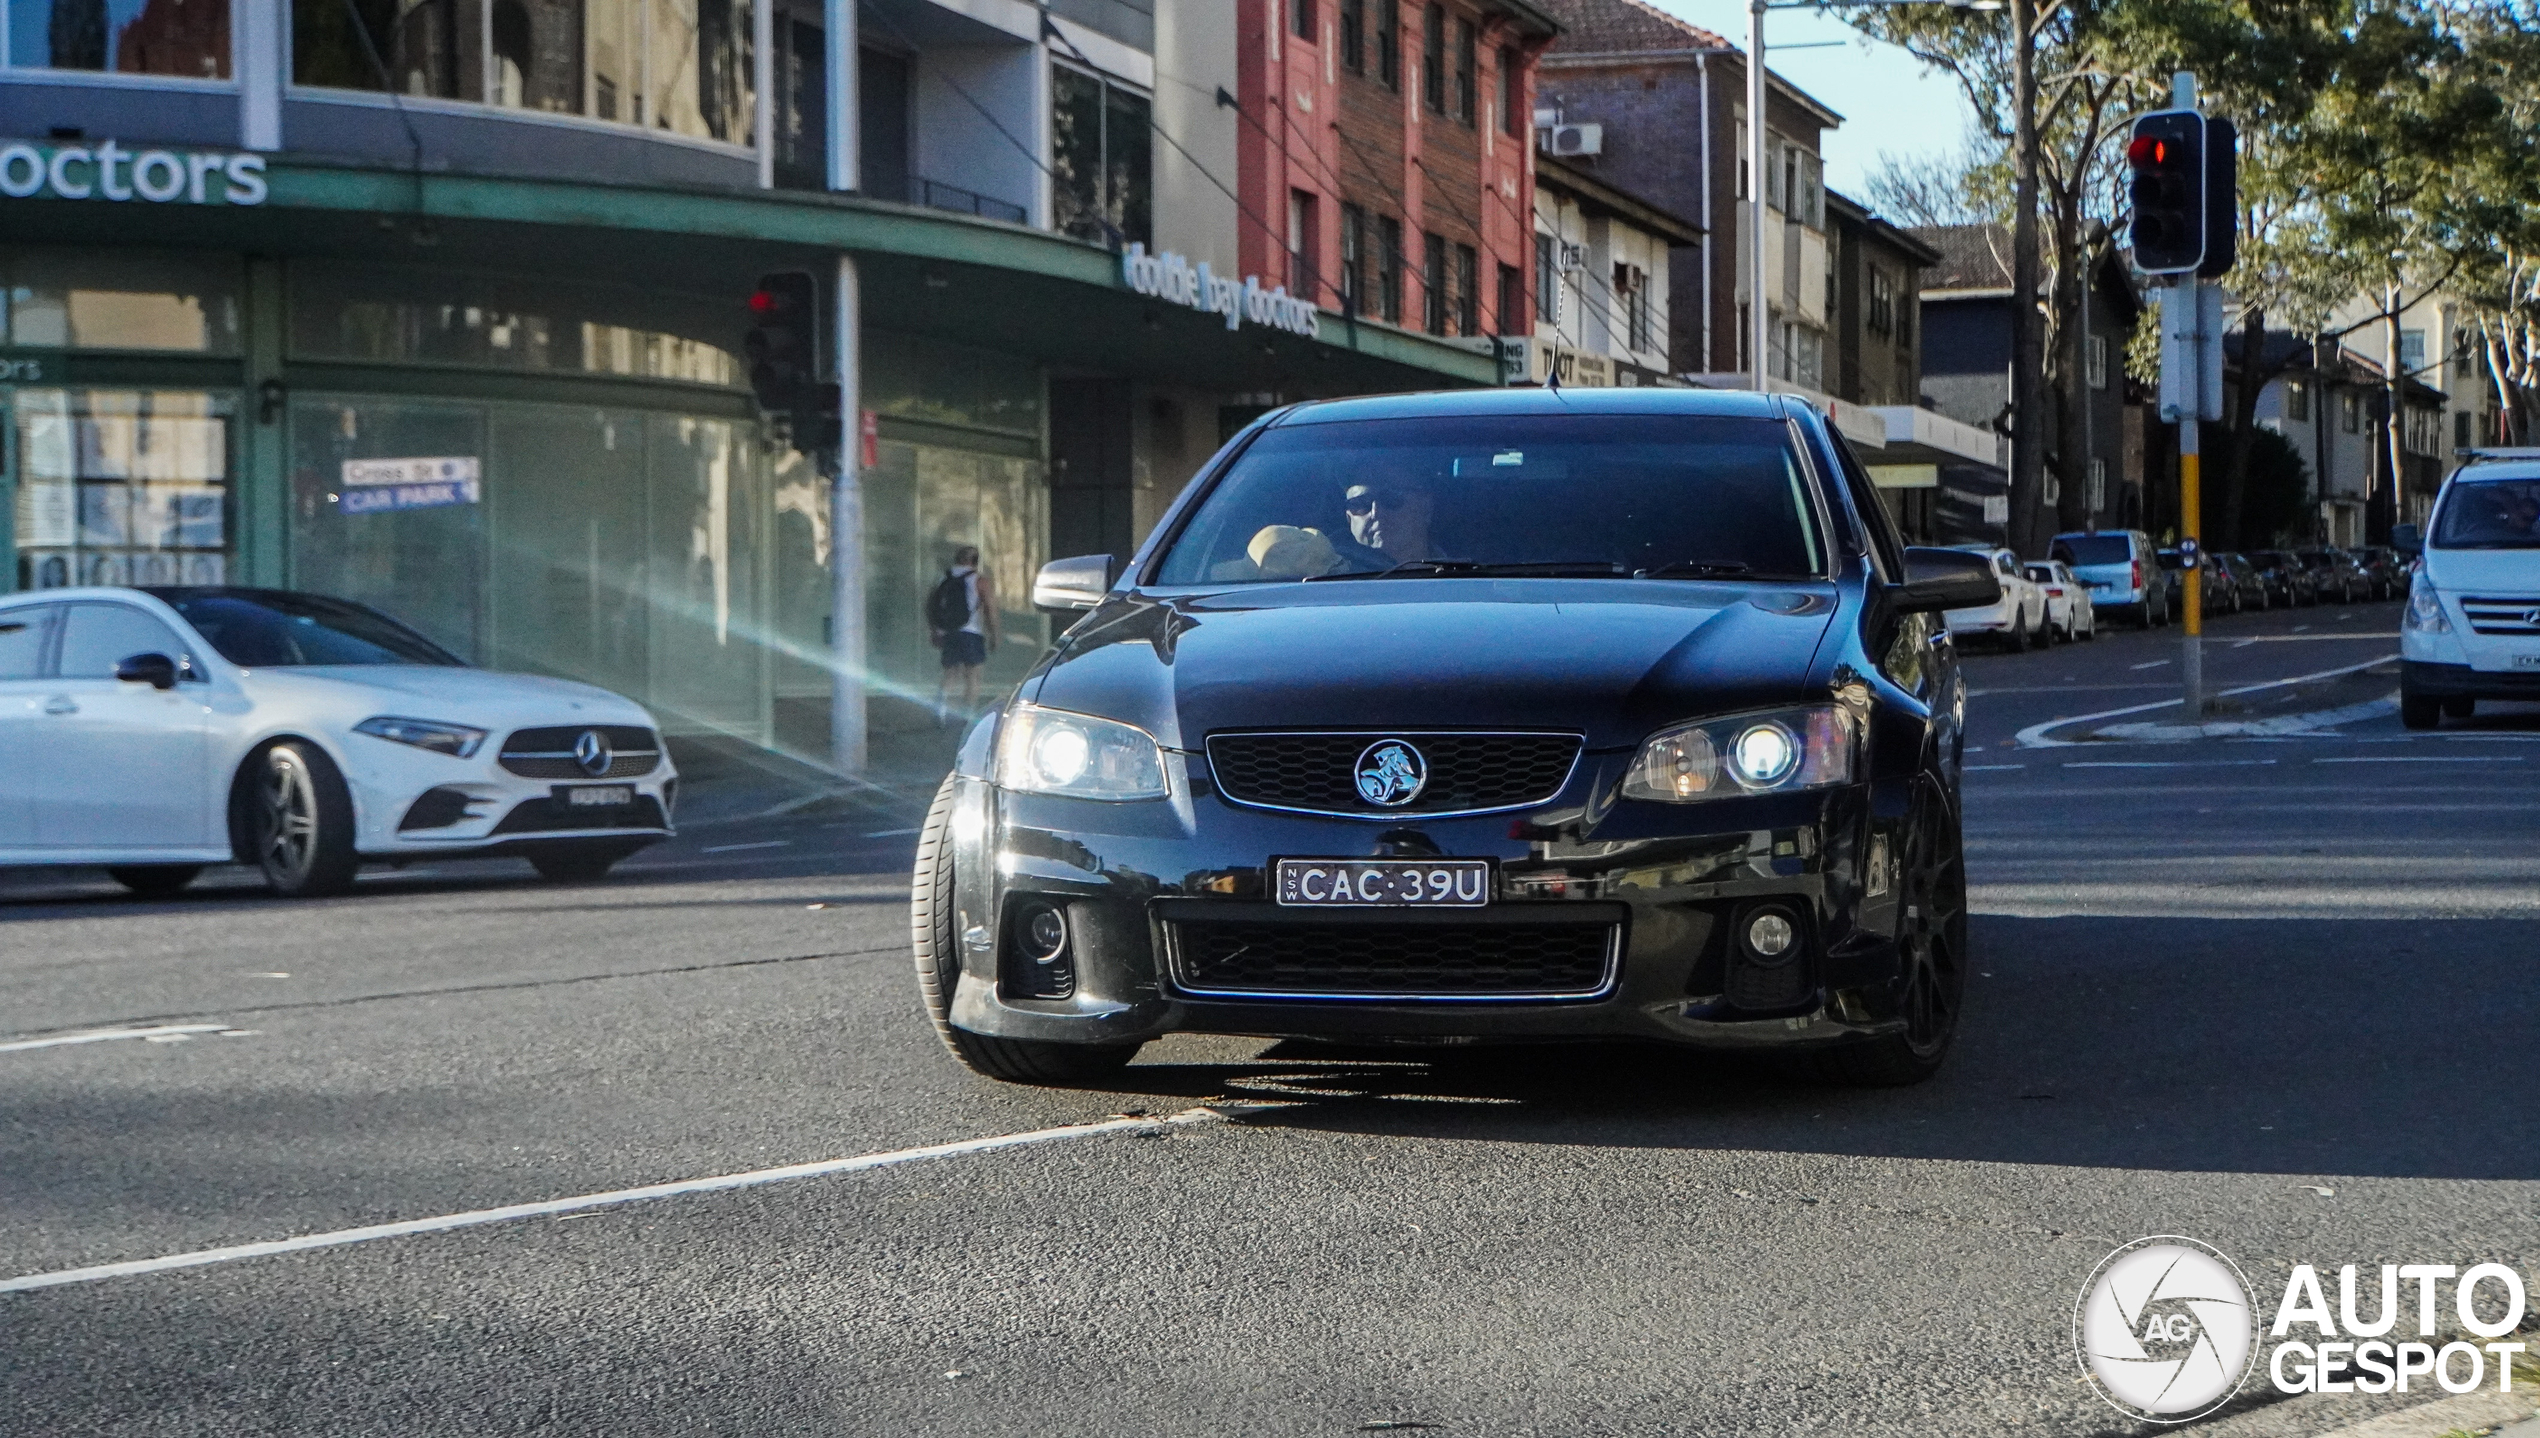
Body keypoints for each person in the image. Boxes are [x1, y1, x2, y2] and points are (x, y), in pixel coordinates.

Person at [928, 545, 998, 724]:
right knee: (973, 675)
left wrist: (935, 629)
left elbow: (930, 605)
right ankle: (967, 715)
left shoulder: (942, 578)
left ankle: (940, 709)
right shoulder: (979, 580)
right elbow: (989, 609)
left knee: (949, 673)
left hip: (949, 632)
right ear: (976, 561)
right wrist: (994, 634)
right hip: (971, 632)